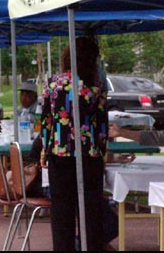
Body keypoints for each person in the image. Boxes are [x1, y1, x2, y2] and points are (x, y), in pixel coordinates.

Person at [41, 37, 108, 251]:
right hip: (89, 153)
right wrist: (102, 150)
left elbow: (46, 121)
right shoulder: (95, 86)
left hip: (59, 151)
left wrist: (45, 148)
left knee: (62, 212)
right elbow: (102, 124)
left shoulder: (53, 83)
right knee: (91, 212)